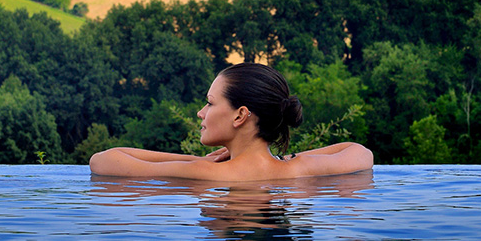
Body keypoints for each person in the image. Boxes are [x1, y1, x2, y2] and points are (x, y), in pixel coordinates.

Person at [89, 63, 373, 181]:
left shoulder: (207, 173)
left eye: (210, 103)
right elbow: (361, 152)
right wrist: (283, 159)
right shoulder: (298, 169)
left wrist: (193, 160)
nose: (201, 112)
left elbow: (103, 161)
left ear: (240, 115)